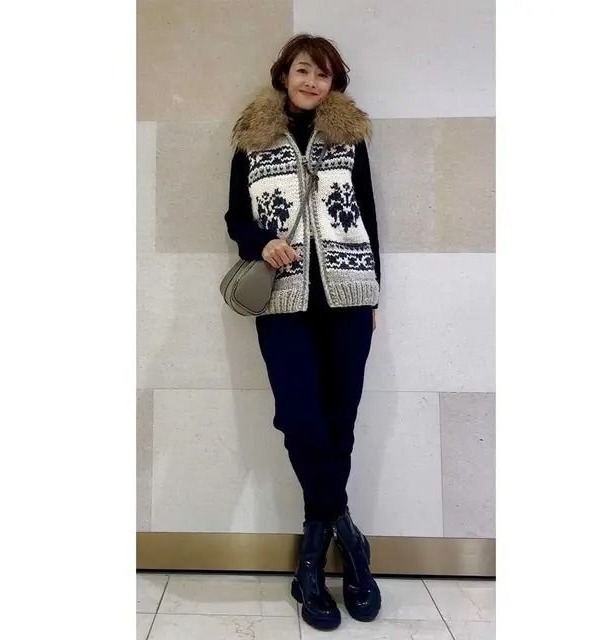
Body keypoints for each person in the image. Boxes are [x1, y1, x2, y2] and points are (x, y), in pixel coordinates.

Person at [224, 33, 382, 631]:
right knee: (299, 417)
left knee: (340, 418)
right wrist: (259, 241)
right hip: (283, 301)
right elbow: (235, 215)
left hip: (348, 297)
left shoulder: (348, 138)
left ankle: (314, 550)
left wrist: (373, 291)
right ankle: (347, 536)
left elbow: (367, 213)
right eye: (303, 71)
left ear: (333, 83)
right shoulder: (253, 137)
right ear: (284, 75)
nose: (312, 82)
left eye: (323, 74)